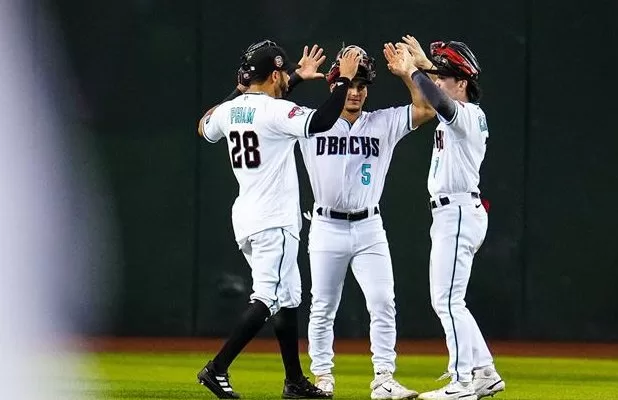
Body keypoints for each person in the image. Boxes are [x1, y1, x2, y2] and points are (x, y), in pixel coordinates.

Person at [195, 41, 361, 399]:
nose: (288, 78)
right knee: (269, 296)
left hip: (247, 216)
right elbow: (320, 121)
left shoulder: (230, 111)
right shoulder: (275, 111)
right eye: (284, 73)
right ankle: (217, 368)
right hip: (274, 219)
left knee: (288, 297)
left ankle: (294, 382)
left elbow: (204, 126)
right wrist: (343, 81)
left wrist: (282, 82)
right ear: (273, 75)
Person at [299, 44, 435, 400]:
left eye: (362, 85)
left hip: (369, 227)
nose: (356, 91)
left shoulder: (382, 122)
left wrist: (408, 73)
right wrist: (301, 77)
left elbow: (424, 108)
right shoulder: (311, 124)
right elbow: (275, 107)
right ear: (334, 86)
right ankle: (323, 377)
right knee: (323, 306)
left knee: (383, 301)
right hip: (327, 226)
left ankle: (384, 378)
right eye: (349, 84)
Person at [387, 35, 505, 400]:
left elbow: (438, 100)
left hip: (456, 211)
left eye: (445, 76)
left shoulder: (467, 114)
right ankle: (484, 371)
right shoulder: (464, 114)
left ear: (463, 83)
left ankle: (462, 382)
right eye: (436, 75)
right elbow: (439, 93)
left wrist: (414, 70)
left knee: (448, 300)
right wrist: (425, 66)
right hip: (454, 212)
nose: (437, 81)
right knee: (451, 301)